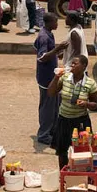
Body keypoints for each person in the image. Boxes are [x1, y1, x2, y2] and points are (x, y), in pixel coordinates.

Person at [48, 55, 97, 170]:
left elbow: (96, 104)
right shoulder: (65, 78)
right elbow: (51, 93)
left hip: (80, 121)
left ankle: (79, 172)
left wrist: (86, 104)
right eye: (71, 63)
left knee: (81, 150)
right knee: (62, 151)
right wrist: (56, 77)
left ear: (84, 66)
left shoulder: (90, 84)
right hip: (63, 120)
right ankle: (64, 174)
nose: (72, 66)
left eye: (75, 64)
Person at [33, 13, 68, 145]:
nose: (57, 24)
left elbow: (39, 48)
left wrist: (56, 54)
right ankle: (43, 134)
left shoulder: (48, 34)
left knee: (54, 105)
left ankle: (52, 130)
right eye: (55, 22)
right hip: (46, 78)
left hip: (51, 76)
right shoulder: (43, 37)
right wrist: (57, 49)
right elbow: (42, 57)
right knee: (47, 107)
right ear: (49, 22)